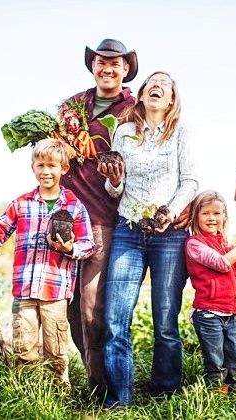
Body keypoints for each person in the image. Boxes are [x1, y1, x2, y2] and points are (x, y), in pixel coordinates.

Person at [98, 71, 199, 408]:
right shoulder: (124, 133)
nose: (158, 86)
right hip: (128, 230)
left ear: (171, 100)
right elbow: (115, 189)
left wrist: (170, 211)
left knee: (166, 319)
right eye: (152, 83)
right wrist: (113, 180)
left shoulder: (181, 131)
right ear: (140, 95)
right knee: (115, 319)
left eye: (166, 85)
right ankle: (119, 400)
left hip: (168, 234)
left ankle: (165, 394)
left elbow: (190, 181)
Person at [0, 138, 94, 386]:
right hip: (24, 290)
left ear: (63, 169)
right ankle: (27, 395)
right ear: (33, 168)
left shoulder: (74, 207)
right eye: (40, 165)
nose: (46, 171)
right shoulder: (21, 204)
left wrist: (70, 248)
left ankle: (58, 396)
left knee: (55, 349)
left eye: (52, 166)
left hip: (55, 291)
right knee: (24, 347)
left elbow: (88, 244)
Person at [61, 38, 138, 395]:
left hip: (102, 216)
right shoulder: (73, 105)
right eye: (101, 62)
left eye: (115, 63)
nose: (107, 68)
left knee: (93, 306)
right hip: (64, 214)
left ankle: (103, 387)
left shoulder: (133, 109)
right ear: (93, 66)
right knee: (70, 305)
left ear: (125, 69)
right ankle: (90, 374)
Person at [185, 190, 236, 393]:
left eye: (217, 213)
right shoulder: (195, 244)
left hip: (231, 313)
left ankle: (233, 394)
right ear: (196, 217)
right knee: (215, 362)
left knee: (232, 361)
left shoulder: (227, 246)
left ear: (224, 218)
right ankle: (213, 398)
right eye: (206, 213)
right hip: (209, 313)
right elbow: (221, 263)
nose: (212, 218)